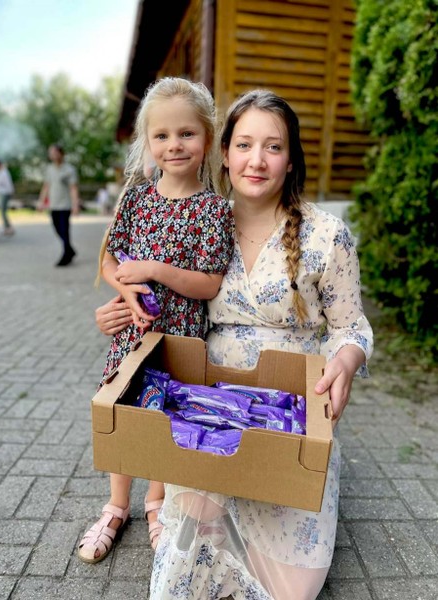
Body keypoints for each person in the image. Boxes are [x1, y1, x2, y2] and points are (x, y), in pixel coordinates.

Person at [94, 89, 373, 599]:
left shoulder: (326, 235)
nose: (257, 160)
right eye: (244, 145)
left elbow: (350, 326)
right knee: (183, 574)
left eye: (273, 147)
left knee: (292, 590)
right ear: (224, 153)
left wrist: (347, 361)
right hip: (204, 407)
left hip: (287, 415)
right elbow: (149, 288)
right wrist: (118, 311)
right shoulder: (202, 218)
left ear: (291, 160)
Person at [77, 76, 235, 565]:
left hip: (181, 337)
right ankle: (115, 506)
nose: (174, 145)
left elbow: (209, 283)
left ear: (207, 137)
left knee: (165, 419)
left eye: (186, 133)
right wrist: (125, 287)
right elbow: (110, 260)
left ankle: (156, 503)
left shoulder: (213, 209)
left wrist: (153, 269)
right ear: (147, 141)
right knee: (124, 412)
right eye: (162, 135)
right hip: (134, 333)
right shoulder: (136, 197)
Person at [37, 144, 80, 266]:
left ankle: (66, 255)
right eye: (51, 153)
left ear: (61, 154)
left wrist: (75, 204)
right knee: (57, 229)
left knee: (64, 230)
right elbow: (46, 186)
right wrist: (41, 201)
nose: (53, 155)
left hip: (65, 205)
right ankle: (70, 250)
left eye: (55, 152)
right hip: (53, 205)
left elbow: (73, 188)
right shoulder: (49, 169)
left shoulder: (69, 170)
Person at [0, 159, 15, 236]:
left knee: (3, 211)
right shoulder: (0, 173)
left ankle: (8, 228)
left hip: (5, 193)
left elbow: (7, 185)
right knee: (3, 211)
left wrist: (9, 194)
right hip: (3, 193)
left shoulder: (4, 173)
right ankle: (7, 228)